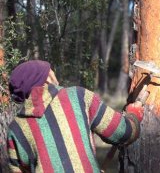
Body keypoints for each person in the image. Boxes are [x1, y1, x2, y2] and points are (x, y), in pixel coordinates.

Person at [7, 60, 144, 172]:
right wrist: (134, 116)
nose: (55, 76)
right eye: (51, 71)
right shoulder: (77, 97)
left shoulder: (16, 129)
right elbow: (123, 133)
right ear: (46, 79)